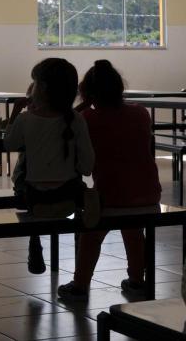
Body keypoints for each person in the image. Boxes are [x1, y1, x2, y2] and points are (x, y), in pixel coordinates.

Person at [57, 60, 161, 300]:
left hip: (112, 197)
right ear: (119, 88)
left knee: (91, 235)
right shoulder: (140, 113)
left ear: (88, 93)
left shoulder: (87, 119)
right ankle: (137, 279)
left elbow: (70, 121)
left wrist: (85, 102)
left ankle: (80, 284)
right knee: (134, 231)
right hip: (148, 194)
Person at [4, 58, 96, 275]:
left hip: (33, 200)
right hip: (68, 199)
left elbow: (10, 144)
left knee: (22, 171)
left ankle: (34, 240)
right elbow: (87, 166)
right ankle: (79, 261)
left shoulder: (26, 119)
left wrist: (14, 116)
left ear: (42, 88)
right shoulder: (76, 120)